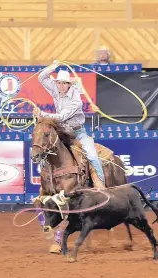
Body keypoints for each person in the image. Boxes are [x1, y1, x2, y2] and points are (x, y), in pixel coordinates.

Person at [33, 60, 106, 188]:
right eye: (59, 83)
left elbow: (62, 117)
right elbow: (41, 77)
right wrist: (53, 66)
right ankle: (46, 184)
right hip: (61, 131)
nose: (60, 86)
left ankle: (99, 184)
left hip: (77, 133)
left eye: (64, 83)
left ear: (69, 85)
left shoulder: (75, 100)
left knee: (92, 155)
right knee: (46, 151)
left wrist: (42, 114)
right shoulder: (56, 90)